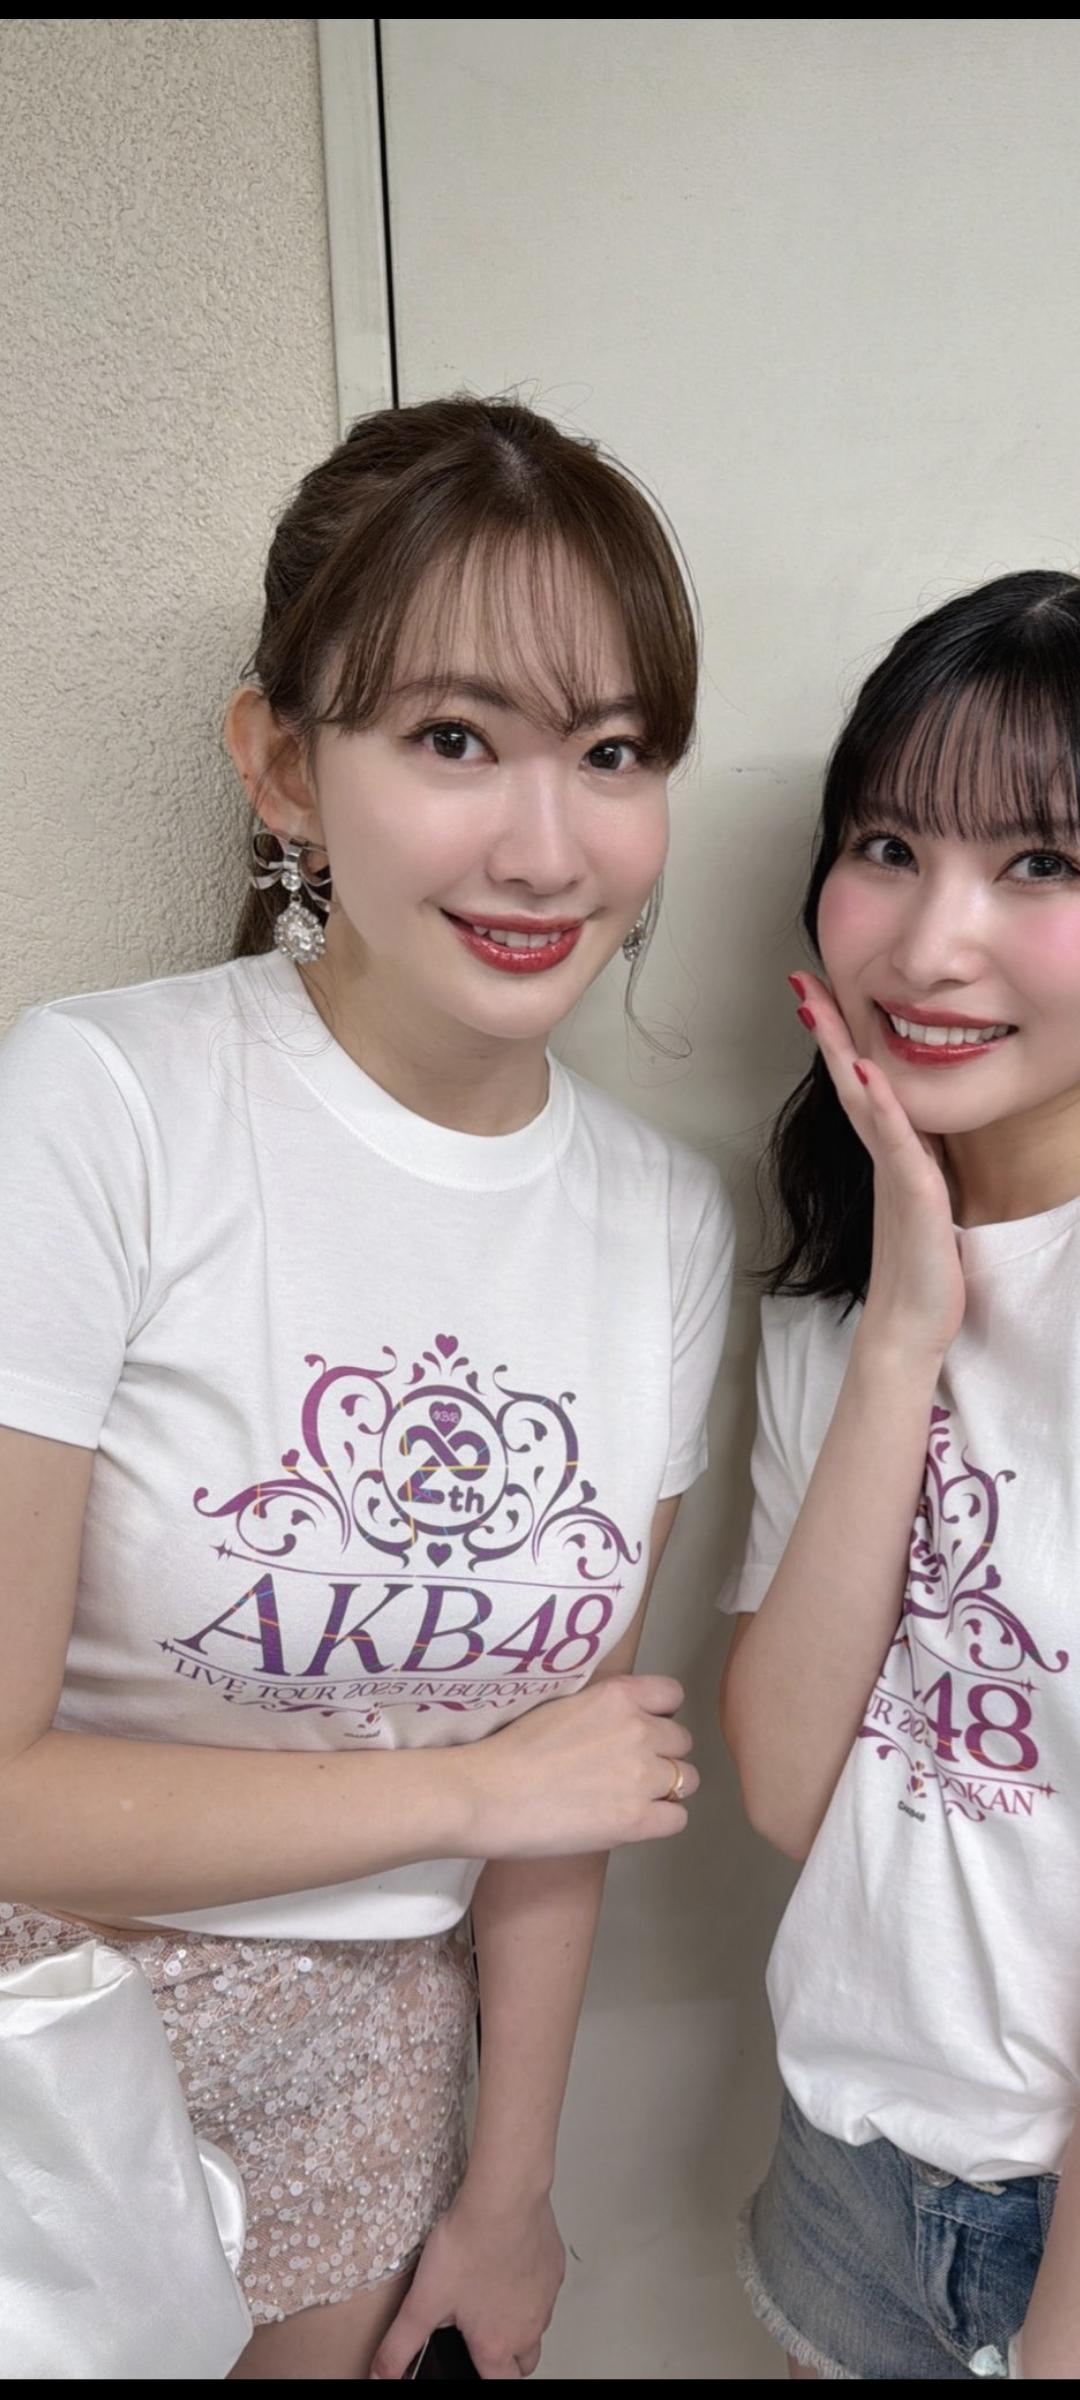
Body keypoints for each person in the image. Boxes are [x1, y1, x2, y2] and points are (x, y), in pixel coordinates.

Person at [0, 395, 732, 2381]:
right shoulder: (106, 1102)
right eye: (453, 739)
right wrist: (468, 1790)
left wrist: (512, 2194)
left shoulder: (660, 1220)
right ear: (283, 765)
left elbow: (574, 1792)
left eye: (613, 752)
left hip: (379, 2070)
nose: (548, 847)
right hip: (48, 2035)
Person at [721, 570, 1080, 2380]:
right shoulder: (844, 1298)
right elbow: (793, 1785)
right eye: (889, 846)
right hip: (851, 2163)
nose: (934, 946)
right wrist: (902, 1338)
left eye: (1042, 864)